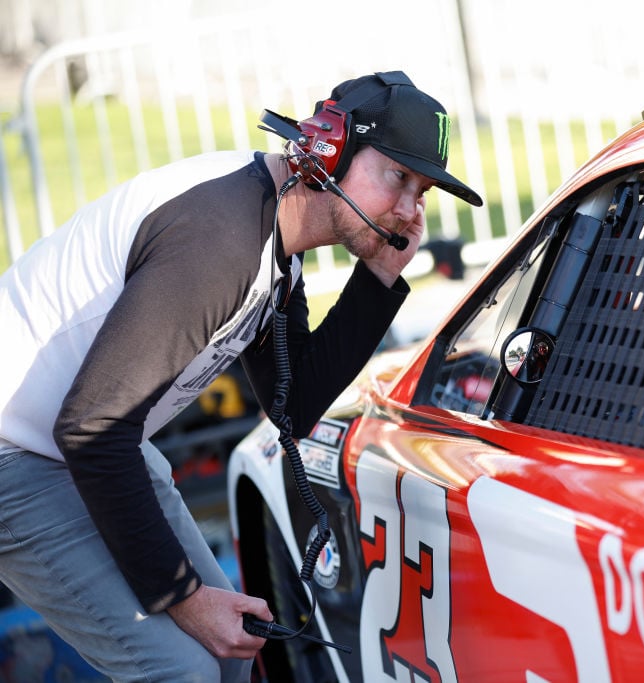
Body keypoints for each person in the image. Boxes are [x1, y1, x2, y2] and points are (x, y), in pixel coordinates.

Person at [0, 71, 481, 681]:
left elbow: (292, 405)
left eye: (424, 191)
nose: (411, 210)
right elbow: (92, 427)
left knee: (231, 660)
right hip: (21, 452)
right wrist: (187, 600)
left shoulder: (276, 238)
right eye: (398, 178)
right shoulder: (222, 238)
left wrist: (379, 278)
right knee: (183, 670)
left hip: (88, 444)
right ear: (329, 150)